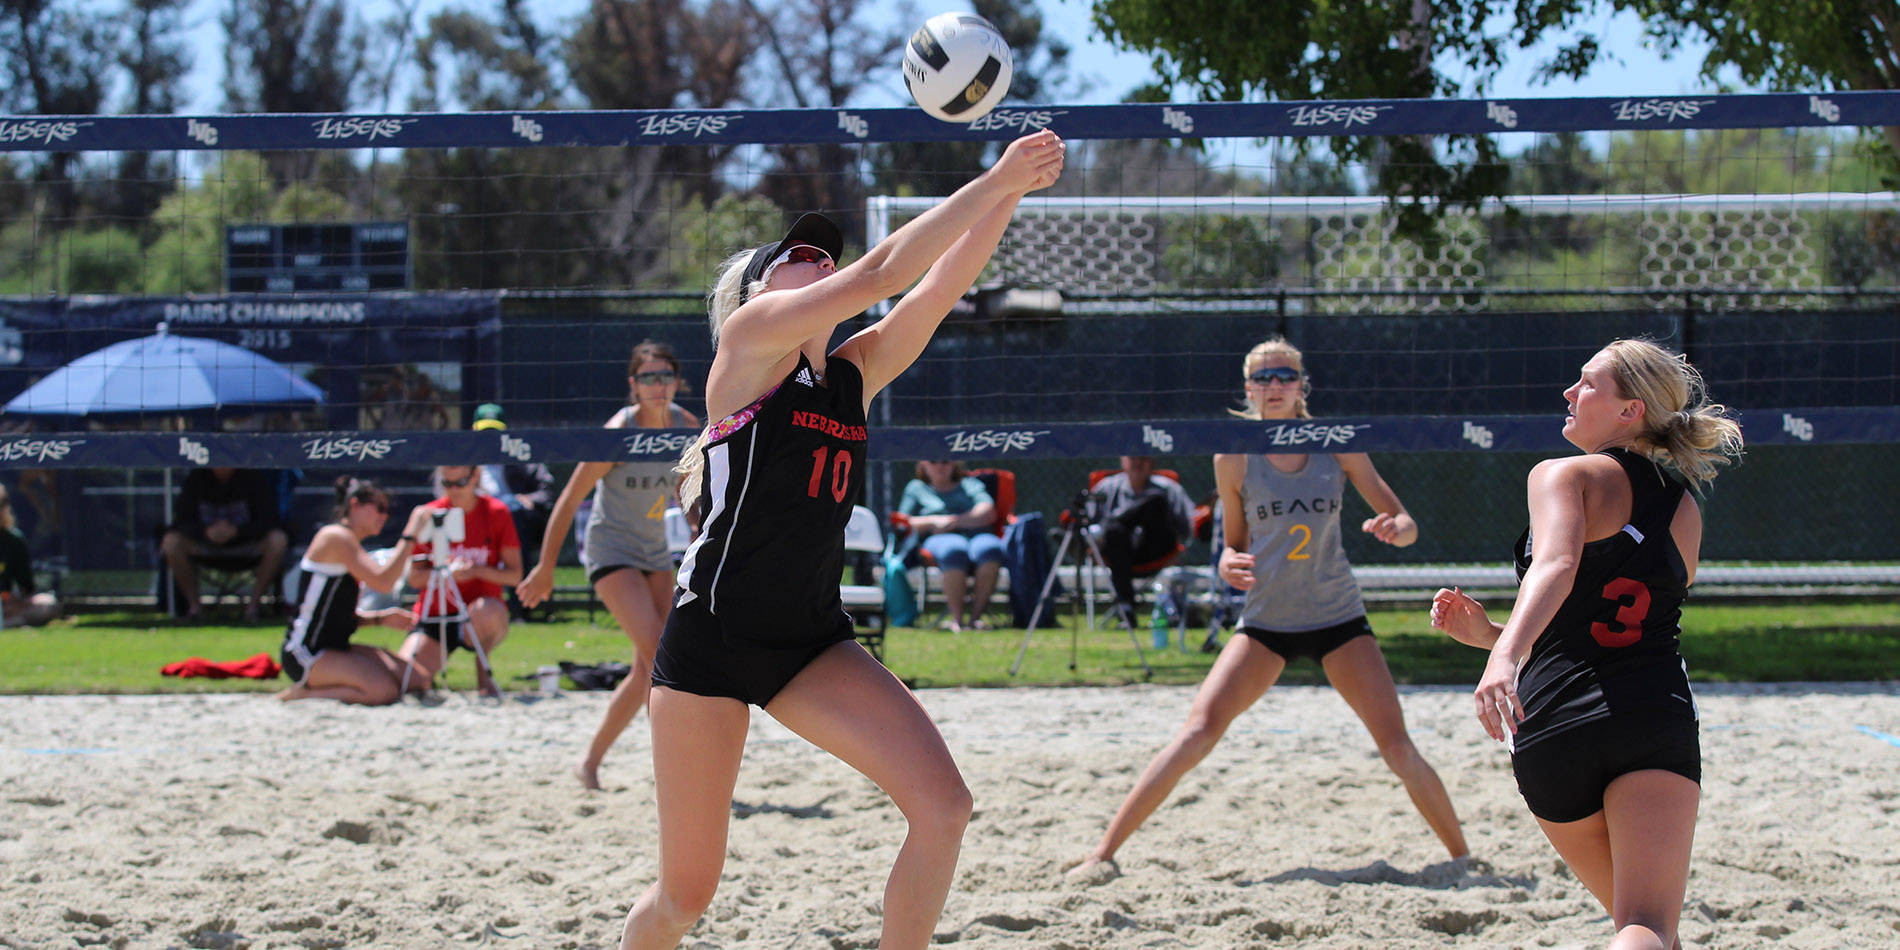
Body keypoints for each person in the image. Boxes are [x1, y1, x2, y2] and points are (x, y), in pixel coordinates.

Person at [618, 129, 1064, 950]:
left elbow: (936, 287)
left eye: (825, 257)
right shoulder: (746, 348)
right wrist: (993, 174)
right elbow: (885, 273)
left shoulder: (852, 372)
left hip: (810, 643)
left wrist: (1012, 194)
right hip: (711, 645)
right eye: (798, 257)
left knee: (945, 807)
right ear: (759, 291)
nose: (820, 263)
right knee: (686, 895)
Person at [1068, 337, 1468, 882]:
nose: (1274, 386)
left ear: (1302, 384)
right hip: (1266, 622)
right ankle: (1102, 854)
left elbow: (1404, 520)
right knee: (1197, 733)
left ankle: (1464, 859)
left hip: (1338, 618)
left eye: (1284, 376)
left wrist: (1395, 529)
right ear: (1248, 387)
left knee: (1396, 746)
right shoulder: (1233, 455)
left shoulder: (1337, 443)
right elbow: (1232, 545)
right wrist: (1229, 564)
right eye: (1263, 377)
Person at [1431, 339, 1742, 950]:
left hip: (1551, 725)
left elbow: (1557, 565)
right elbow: (1609, 622)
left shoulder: (1561, 474)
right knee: (1647, 926)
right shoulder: (1684, 509)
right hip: (1649, 711)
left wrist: (1503, 654)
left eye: (1587, 383)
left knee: (1642, 926)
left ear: (1630, 411)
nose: (1570, 393)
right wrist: (1493, 639)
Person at [517, 340, 700, 790]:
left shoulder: (686, 426)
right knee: (663, 653)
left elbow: (682, 486)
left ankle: (590, 763)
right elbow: (568, 499)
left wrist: (696, 522)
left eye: (665, 376)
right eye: (648, 377)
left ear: (677, 382)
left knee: (647, 669)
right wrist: (544, 568)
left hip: (653, 550)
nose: (658, 385)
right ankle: (678, 771)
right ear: (633, 386)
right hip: (610, 550)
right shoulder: (618, 432)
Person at [278, 478, 429, 705]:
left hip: (335, 646)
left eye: (387, 510)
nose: (384, 516)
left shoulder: (349, 543)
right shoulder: (335, 537)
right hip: (307, 653)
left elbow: (335, 616)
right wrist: (410, 534)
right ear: (355, 504)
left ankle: (330, 684)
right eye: (379, 508)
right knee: (383, 691)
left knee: (417, 680)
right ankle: (304, 694)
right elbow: (384, 582)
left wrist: (380, 619)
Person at [398, 464, 522, 697]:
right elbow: (414, 578)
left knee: (488, 612)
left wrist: (475, 570)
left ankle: (483, 672)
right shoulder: (429, 515)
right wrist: (443, 574)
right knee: (408, 681)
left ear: (475, 476)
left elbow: (515, 576)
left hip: (477, 615)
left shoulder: (496, 512)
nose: (453, 490)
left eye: (460, 483)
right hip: (436, 614)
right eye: (447, 484)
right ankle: (429, 676)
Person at [159, 467, 291, 621]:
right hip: (205, 546)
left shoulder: (253, 478)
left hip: (246, 545)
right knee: (172, 541)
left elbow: (269, 521)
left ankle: (253, 608)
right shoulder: (197, 478)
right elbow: (181, 521)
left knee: (278, 539)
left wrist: (237, 531)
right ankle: (195, 608)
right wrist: (206, 532)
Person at [1087, 455, 1195, 628]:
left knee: (1155, 500)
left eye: (1143, 458)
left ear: (1152, 461)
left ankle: (1114, 523)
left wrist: (1182, 545)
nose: (1137, 462)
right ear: (1122, 460)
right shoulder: (1106, 487)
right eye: (1132, 457)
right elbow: (1089, 524)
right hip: (1119, 554)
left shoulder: (1168, 487)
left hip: (1158, 550)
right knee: (1115, 531)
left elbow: (1188, 523)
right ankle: (1126, 607)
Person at [897, 460, 1004, 631]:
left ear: (954, 464)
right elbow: (902, 522)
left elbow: (988, 511)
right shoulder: (916, 488)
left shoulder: (970, 484)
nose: (940, 466)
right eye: (933, 462)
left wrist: (955, 522)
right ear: (923, 465)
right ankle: (958, 620)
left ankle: (975, 619)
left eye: (945, 462)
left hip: (976, 534)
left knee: (990, 549)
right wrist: (934, 521)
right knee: (954, 550)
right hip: (938, 538)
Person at [471, 402, 558, 576]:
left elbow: (547, 489)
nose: (490, 438)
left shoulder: (521, 457)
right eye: (484, 433)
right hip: (474, 519)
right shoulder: (465, 463)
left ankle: (519, 593)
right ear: (474, 432)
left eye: (495, 432)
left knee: (512, 508)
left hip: (512, 521)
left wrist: (529, 499)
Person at [0, 484, 59, 627]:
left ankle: (10, 622)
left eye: (3, 503)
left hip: (6, 605)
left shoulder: (13, 540)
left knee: (46, 604)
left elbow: (26, 587)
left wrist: (12, 600)